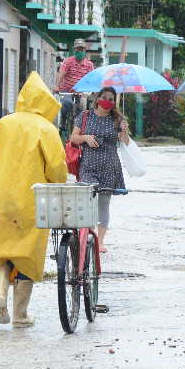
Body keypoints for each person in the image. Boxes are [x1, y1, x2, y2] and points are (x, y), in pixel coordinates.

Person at [0, 72, 68, 327]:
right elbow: (57, 169)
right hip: (31, 200)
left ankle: (0, 294)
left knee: (2, 252)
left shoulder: (3, 123)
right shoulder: (46, 128)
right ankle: (20, 315)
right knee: (25, 255)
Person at [69, 86, 129, 253]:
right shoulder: (85, 116)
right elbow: (73, 137)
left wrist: (124, 131)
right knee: (87, 201)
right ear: (97, 99)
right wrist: (85, 138)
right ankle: (86, 234)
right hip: (88, 166)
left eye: (111, 99)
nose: (108, 101)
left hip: (109, 167)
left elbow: (126, 142)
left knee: (103, 204)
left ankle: (99, 241)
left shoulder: (117, 119)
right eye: (105, 97)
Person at [56, 39, 95, 136]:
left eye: (82, 49)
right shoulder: (68, 61)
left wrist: (91, 90)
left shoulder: (89, 65)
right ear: (74, 50)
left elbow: (91, 79)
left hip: (81, 92)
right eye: (78, 49)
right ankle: (63, 122)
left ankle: (80, 130)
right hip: (67, 90)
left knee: (83, 109)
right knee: (66, 103)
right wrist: (57, 86)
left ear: (84, 51)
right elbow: (61, 74)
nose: (80, 52)